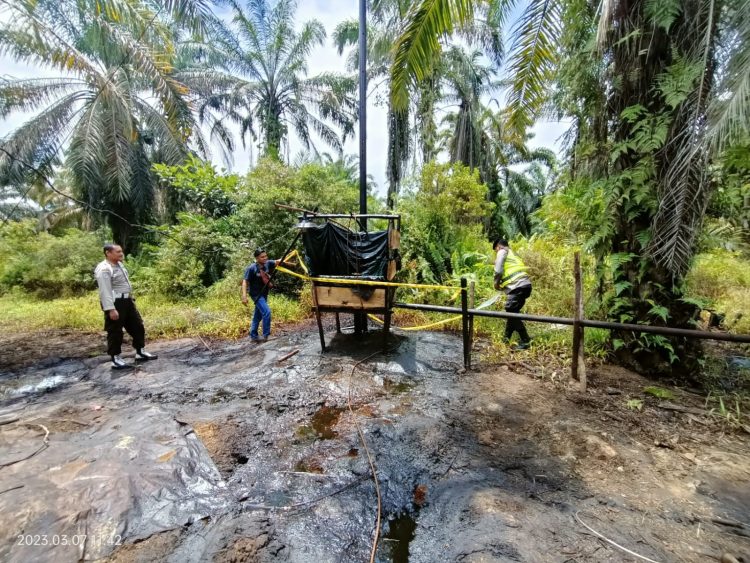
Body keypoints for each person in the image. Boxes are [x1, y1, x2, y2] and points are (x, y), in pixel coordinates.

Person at [94, 243, 158, 369]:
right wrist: (111, 309)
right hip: (115, 302)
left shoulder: (119, 264)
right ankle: (115, 358)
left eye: (121, 251)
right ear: (108, 253)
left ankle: (140, 351)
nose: (121, 253)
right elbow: (105, 291)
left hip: (127, 300)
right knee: (115, 331)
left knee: (137, 325)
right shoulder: (104, 269)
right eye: (118, 252)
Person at [493, 239, 532, 350]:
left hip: (517, 286)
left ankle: (526, 341)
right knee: (512, 313)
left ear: (499, 247)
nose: (496, 252)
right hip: (525, 285)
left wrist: (496, 283)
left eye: (496, 250)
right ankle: (506, 339)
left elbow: (498, 270)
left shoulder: (502, 251)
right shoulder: (514, 254)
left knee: (510, 310)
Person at [242, 249, 284, 342]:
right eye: (262, 257)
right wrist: (244, 296)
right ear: (257, 258)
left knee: (258, 315)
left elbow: (278, 261)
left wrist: (290, 255)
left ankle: (253, 336)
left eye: (266, 256)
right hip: (256, 294)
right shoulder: (251, 268)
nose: (265, 258)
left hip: (264, 293)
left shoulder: (268, 263)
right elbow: (245, 281)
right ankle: (266, 335)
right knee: (266, 312)